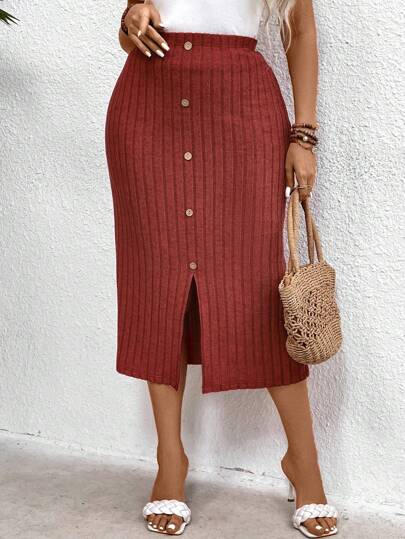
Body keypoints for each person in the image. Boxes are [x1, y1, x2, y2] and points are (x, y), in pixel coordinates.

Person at [104, 0, 338, 536]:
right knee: (156, 285)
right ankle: (170, 460)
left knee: (257, 290)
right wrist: (132, 22)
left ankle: (303, 461)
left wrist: (303, 135)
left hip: (241, 108)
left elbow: (300, 30)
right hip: (148, 107)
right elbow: (128, 32)